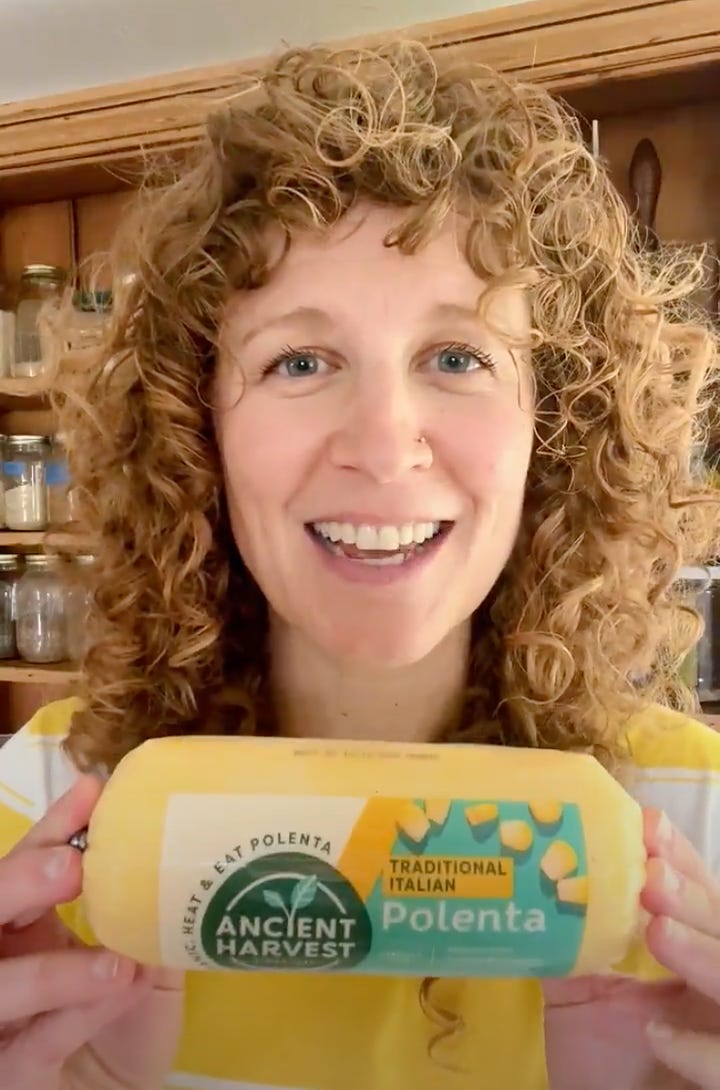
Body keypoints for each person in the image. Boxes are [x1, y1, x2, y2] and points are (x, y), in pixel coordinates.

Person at [0, 39, 719, 1090]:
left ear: (554, 428)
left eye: (458, 357)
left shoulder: (693, 822)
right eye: (300, 360)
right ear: (193, 428)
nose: (384, 445)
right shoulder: (44, 809)